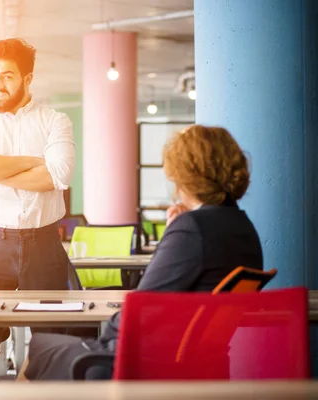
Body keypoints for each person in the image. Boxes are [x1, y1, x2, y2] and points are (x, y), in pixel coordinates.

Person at [19, 124, 264, 381]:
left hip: (144, 362)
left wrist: (102, 334)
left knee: (38, 347)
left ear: (183, 174)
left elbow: (140, 310)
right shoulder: (243, 229)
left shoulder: (192, 229)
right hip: (195, 363)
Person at [0, 38, 77, 378]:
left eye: (7, 76)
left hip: (43, 243)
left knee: (53, 339)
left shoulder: (55, 121)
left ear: (27, 79)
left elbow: (58, 174)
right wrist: (31, 164)